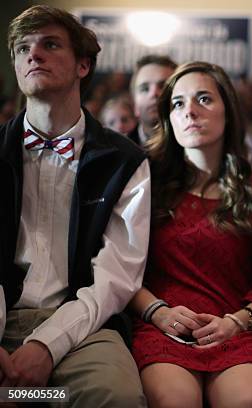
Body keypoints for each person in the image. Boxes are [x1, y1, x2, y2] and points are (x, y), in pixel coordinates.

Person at [0, 5, 150, 406]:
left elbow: (116, 278)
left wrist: (47, 346)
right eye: (22, 48)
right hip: (3, 316)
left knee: (114, 396)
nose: (33, 55)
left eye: (50, 44)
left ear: (83, 65)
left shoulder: (125, 160)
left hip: (86, 324)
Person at [129, 61, 252, 408]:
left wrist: (241, 320)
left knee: (246, 401)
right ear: (168, 117)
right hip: (164, 324)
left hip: (236, 328)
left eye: (204, 99)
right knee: (174, 401)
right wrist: (157, 312)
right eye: (178, 103)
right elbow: (119, 268)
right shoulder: (145, 184)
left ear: (228, 112)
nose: (190, 111)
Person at [128, 54, 177, 146]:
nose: (153, 93)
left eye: (163, 86)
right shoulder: (118, 152)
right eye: (145, 89)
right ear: (134, 104)